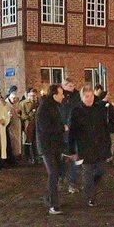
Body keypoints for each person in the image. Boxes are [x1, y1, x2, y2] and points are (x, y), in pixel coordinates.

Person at [68, 85, 111, 206]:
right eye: (86, 96)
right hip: (84, 147)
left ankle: (91, 185)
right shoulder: (76, 111)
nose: (89, 99)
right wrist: (72, 150)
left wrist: (107, 144)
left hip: (99, 146)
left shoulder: (99, 109)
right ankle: (90, 197)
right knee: (87, 171)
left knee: (101, 170)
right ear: (82, 97)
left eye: (91, 96)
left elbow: (105, 128)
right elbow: (72, 132)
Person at [36, 84, 66, 214]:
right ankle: (53, 204)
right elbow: (45, 128)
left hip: (55, 145)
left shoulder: (55, 107)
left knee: (57, 172)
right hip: (47, 146)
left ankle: (49, 198)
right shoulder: (44, 108)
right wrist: (62, 128)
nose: (63, 96)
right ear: (54, 95)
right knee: (53, 173)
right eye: (61, 94)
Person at [59, 78, 82, 192]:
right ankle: (60, 177)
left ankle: (72, 183)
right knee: (62, 157)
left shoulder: (77, 96)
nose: (72, 88)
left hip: (74, 131)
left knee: (74, 157)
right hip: (62, 132)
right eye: (69, 86)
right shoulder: (60, 97)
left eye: (73, 85)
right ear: (64, 86)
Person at [18, 88, 39, 164]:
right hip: (28, 123)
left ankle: (35, 156)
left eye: (34, 95)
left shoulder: (38, 103)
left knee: (35, 140)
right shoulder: (23, 103)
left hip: (37, 123)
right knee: (28, 140)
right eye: (31, 95)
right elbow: (22, 115)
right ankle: (28, 156)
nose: (33, 97)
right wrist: (29, 116)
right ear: (28, 95)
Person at [4, 86, 22, 165]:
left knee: (17, 141)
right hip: (10, 125)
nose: (15, 100)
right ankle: (13, 157)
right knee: (12, 141)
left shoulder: (17, 103)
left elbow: (20, 112)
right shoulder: (6, 104)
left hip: (17, 123)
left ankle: (17, 155)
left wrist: (19, 112)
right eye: (13, 98)